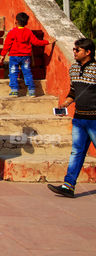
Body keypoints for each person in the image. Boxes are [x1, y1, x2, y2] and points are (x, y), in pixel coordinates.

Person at [48, 37, 96, 198]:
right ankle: (68, 186)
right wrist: (66, 103)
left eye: (78, 50)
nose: (74, 52)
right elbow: (73, 91)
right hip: (79, 118)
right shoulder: (74, 68)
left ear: (88, 52)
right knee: (76, 151)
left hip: (94, 119)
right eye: (74, 49)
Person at [0, 11, 52, 97]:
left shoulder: (12, 32)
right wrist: (47, 42)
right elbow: (36, 42)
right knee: (27, 73)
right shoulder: (28, 32)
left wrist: (2, 55)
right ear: (26, 23)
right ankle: (31, 91)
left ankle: (14, 90)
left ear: (16, 21)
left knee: (13, 73)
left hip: (14, 56)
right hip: (25, 57)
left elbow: (7, 45)